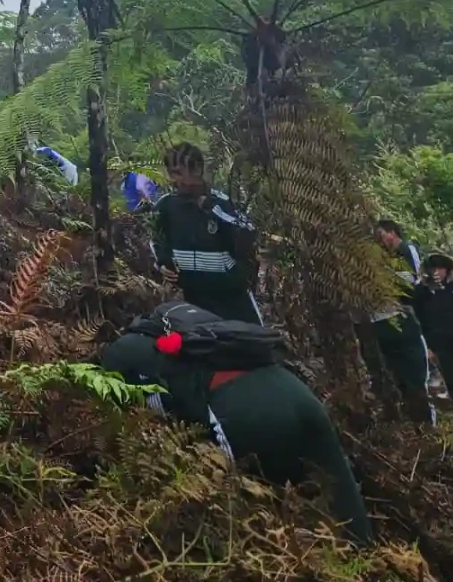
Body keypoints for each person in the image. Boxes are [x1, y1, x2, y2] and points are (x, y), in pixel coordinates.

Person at [102, 304, 372, 545]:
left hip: (240, 411)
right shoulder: (182, 317)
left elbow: (131, 424)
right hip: (295, 390)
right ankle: (368, 555)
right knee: (343, 497)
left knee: (259, 516)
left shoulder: (119, 358)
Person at [150, 143, 261, 324]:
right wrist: (162, 263)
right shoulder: (166, 205)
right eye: (171, 173)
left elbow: (248, 231)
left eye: (179, 173)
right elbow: (156, 239)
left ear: (197, 169)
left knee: (251, 339)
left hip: (232, 300)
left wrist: (212, 209)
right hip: (193, 301)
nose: (175, 180)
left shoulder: (221, 202)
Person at [369, 219, 434, 423]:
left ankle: (424, 423)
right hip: (390, 322)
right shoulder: (385, 259)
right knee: (404, 377)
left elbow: (416, 282)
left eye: (381, 235)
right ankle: (416, 422)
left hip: (405, 317)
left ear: (392, 232)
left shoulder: (407, 249)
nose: (380, 240)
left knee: (416, 377)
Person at [412, 253, 453, 418]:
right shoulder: (422, 290)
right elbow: (419, 317)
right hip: (444, 345)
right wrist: (429, 346)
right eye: (433, 269)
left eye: (440, 268)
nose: (437, 272)